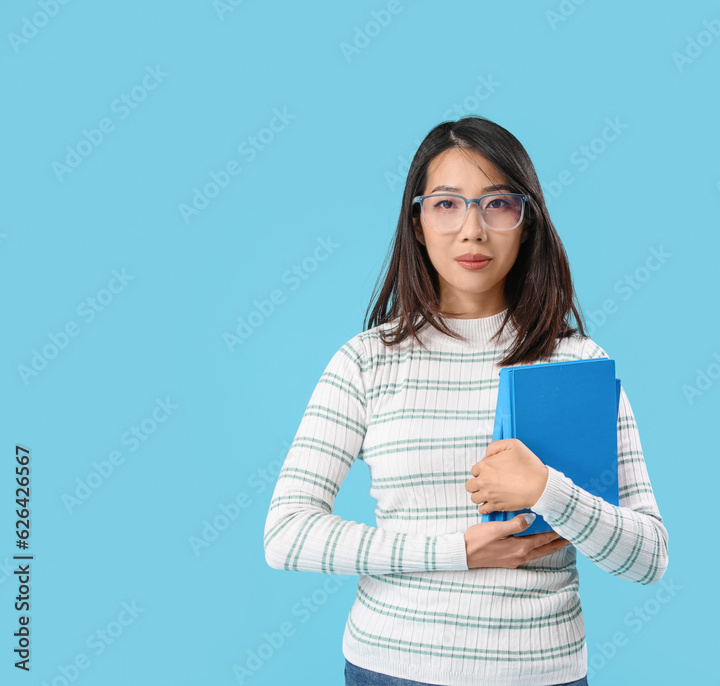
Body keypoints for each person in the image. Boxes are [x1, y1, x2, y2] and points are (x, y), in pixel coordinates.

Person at [262, 115, 668, 686]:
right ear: (418, 221)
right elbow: (286, 534)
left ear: (527, 222)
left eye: (497, 203)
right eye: (446, 204)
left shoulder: (577, 362)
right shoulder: (366, 361)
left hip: (541, 673)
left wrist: (546, 490)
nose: (472, 230)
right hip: (393, 669)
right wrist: (458, 551)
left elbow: (648, 556)